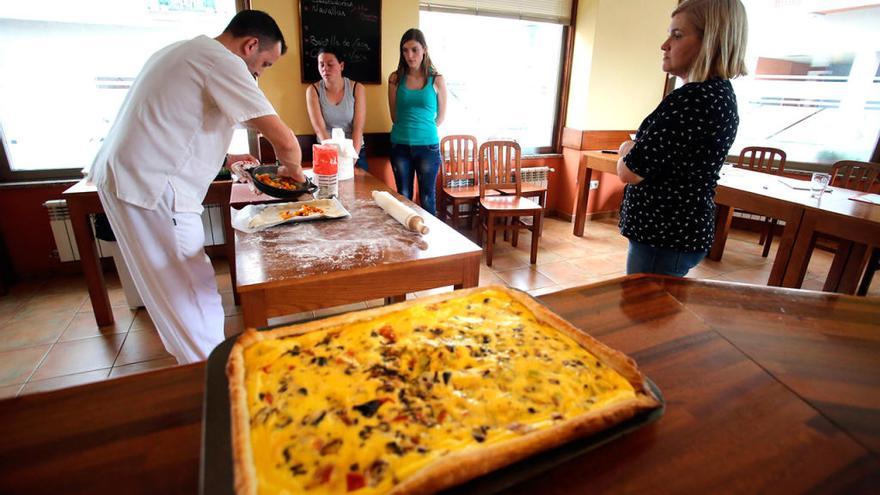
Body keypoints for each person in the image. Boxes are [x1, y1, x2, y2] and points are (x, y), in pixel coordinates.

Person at [88, 10, 305, 364]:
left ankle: (202, 363)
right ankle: (210, 375)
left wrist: (230, 157)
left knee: (177, 287)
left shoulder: (181, 51)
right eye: (264, 63)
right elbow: (285, 140)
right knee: (189, 289)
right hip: (153, 186)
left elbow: (178, 124)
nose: (259, 73)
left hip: (128, 178)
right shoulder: (223, 62)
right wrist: (292, 171)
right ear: (251, 45)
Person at [617, 0, 748, 277]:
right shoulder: (717, 94)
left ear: (710, 42)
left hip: (665, 236)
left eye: (677, 35)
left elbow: (630, 171)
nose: (665, 45)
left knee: (647, 315)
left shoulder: (693, 99)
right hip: (674, 233)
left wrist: (627, 147)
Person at [387, 28, 447, 216]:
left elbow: (441, 118)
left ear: (424, 50)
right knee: (403, 197)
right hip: (400, 145)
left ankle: (427, 241)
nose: (409, 55)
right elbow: (394, 116)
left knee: (428, 197)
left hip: (428, 147)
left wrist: (422, 130)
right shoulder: (395, 78)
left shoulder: (436, 79)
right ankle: (405, 242)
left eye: (414, 49)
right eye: (405, 50)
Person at [305, 46, 368, 170]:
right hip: (326, 151)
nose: (325, 69)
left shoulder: (357, 88)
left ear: (341, 66)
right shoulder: (313, 90)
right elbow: (320, 129)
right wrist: (335, 158)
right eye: (321, 65)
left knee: (359, 187)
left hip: (354, 150)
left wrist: (351, 159)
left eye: (330, 65)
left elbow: (358, 128)